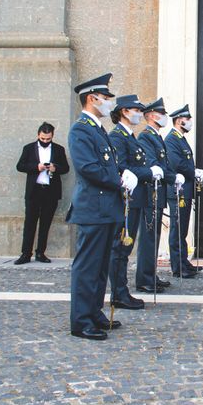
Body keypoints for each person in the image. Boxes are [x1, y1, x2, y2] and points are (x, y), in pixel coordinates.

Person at [67, 73, 138, 340]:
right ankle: (81, 321)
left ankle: (94, 313)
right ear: (91, 98)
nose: (109, 102)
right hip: (93, 209)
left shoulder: (98, 129)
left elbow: (109, 164)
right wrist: (119, 179)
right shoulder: (81, 129)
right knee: (87, 268)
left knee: (99, 268)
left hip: (107, 209)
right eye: (106, 98)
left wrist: (123, 172)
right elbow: (88, 168)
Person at [108, 95, 158, 311]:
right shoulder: (118, 136)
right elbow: (121, 167)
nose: (139, 113)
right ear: (124, 112)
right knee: (120, 249)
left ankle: (122, 291)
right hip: (126, 199)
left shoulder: (131, 136)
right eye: (136, 110)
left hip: (135, 200)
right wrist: (149, 172)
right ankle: (119, 293)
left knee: (125, 250)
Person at [135, 98, 184, 294]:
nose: (165, 117)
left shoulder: (156, 137)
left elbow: (163, 166)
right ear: (152, 116)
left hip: (157, 193)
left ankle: (151, 275)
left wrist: (172, 177)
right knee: (148, 238)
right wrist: (173, 177)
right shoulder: (146, 137)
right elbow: (154, 164)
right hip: (149, 194)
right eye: (162, 114)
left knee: (153, 238)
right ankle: (144, 279)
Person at [15, 122, 70, 264]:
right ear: (38, 135)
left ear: (52, 136)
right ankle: (26, 254)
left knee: (45, 223)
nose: (45, 141)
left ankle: (41, 253)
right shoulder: (28, 148)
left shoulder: (59, 149)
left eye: (48, 139)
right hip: (34, 191)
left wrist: (54, 168)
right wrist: (36, 167)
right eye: (43, 138)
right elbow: (20, 166)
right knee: (30, 223)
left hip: (50, 192)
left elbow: (66, 168)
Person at [165, 104, 203, 279]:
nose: (190, 122)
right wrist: (193, 172)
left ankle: (184, 262)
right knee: (177, 229)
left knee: (182, 230)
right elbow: (177, 164)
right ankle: (178, 266)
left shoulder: (180, 139)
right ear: (179, 120)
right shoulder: (171, 139)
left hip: (185, 191)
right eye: (187, 119)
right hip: (177, 191)